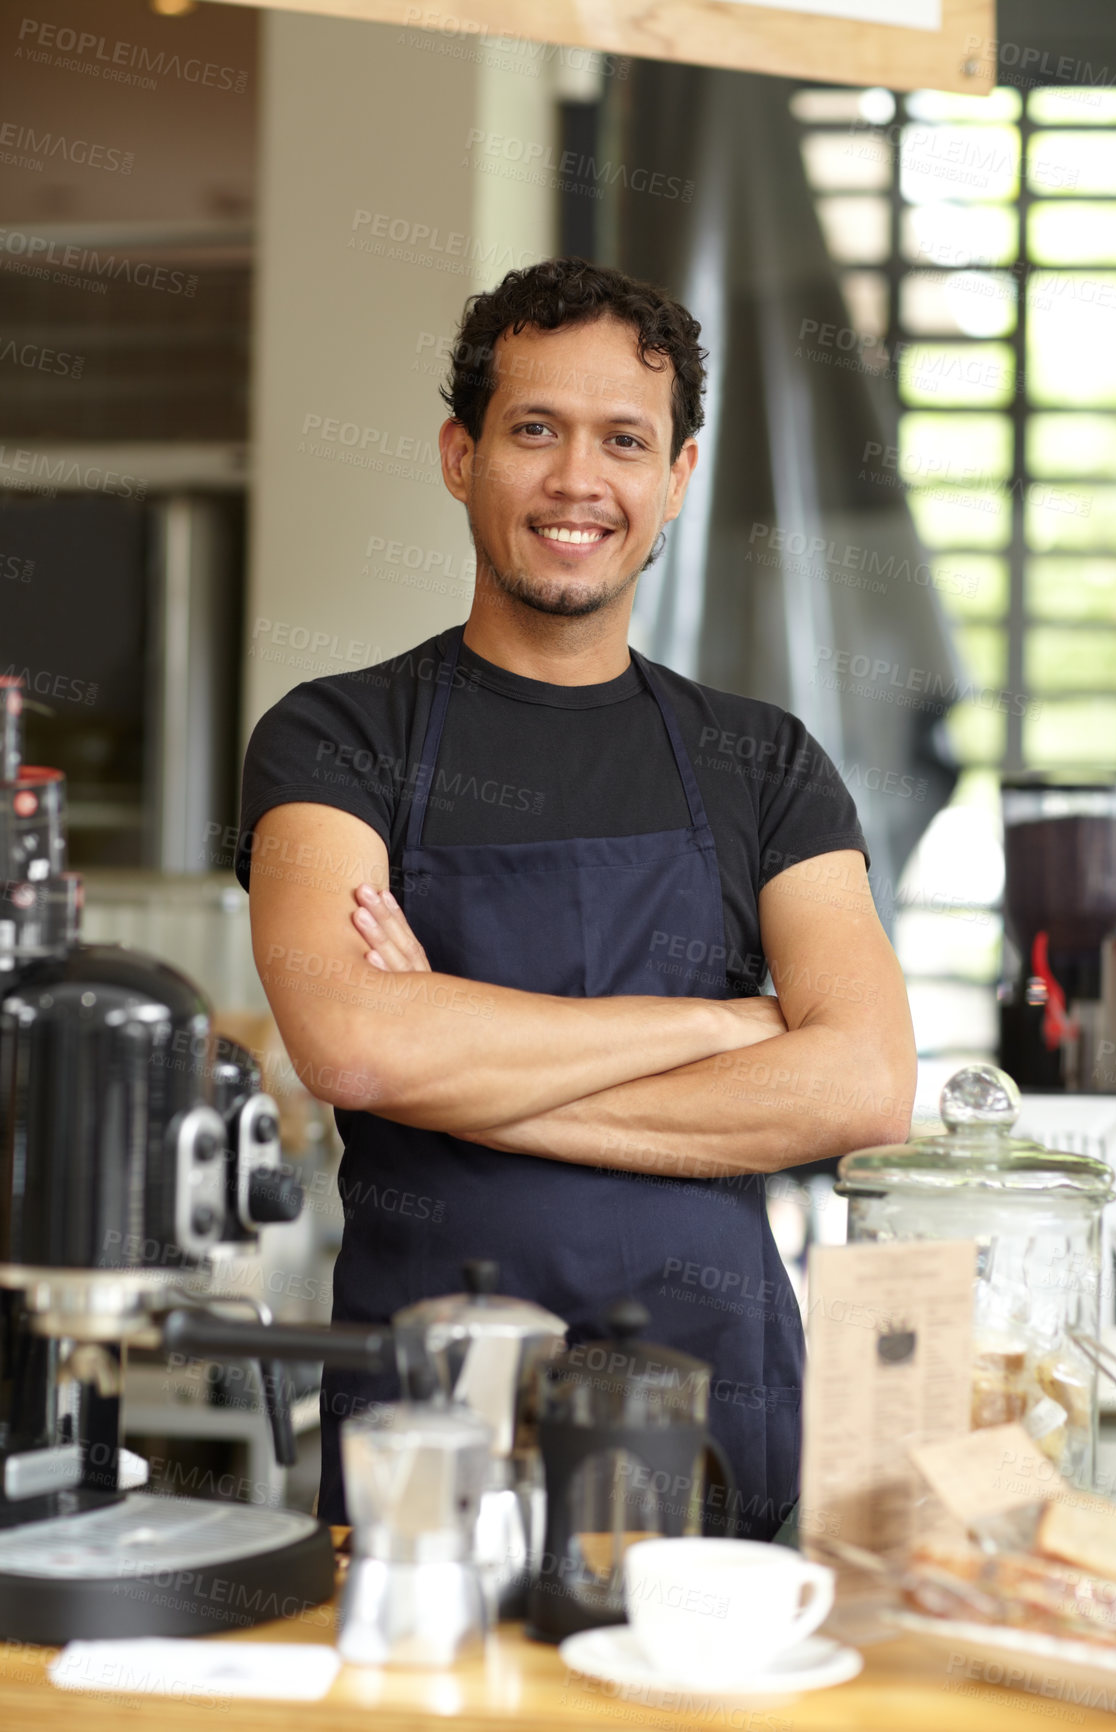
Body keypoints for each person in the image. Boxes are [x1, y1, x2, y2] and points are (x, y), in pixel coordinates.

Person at [235, 256, 916, 1541]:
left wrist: (464, 1061)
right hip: (439, 1419)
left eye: (623, 440)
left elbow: (863, 1085)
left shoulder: (762, 759)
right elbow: (354, 1044)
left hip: (721, 1412)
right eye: (533, 429)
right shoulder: (334, 741)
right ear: (459, 455)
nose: (575, 482)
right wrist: (718, 1025)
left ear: (677, 478)